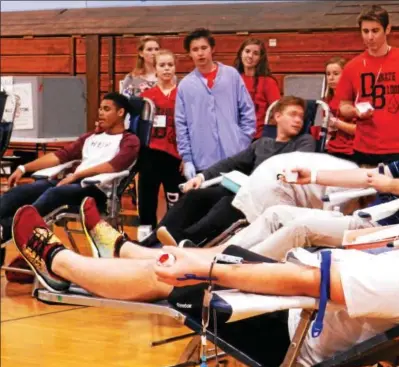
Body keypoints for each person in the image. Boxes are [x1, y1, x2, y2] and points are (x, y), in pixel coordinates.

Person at [11, 164, 399, 367]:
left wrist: (210, 265)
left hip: (296, 333)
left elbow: (308, 284)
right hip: (305, 306)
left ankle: (63, 269)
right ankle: (121, 248)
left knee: (182, 278)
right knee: (214, 260)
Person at [221, 95, 399, 261]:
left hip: (385, 232)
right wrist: (314, 176)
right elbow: (366, 175)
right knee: (276, 213)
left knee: (301, 228)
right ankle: (221, 258)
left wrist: (391, 185)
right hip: (363, 221)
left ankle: (236, 271)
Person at [135, 96, 315, 249]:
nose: (298, 120)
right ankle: (153, 241)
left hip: (269, 197)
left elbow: (295, 167)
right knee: (196, 196)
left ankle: (185, 241)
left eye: (301, 116)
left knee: (228, 203)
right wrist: (201, 176)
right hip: (244, 190)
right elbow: (231, 163)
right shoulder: (262, 143)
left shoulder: (305, 141)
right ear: (277, 116)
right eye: (293, 115)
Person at [0, 92, 140, 243]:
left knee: (54, 194)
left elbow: (113, 166)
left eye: (106, 109)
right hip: (71, 182)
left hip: (97, 189)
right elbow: (60, 156)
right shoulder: (91, 137)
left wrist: (76, 176)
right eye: (100, 109)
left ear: (120, 113)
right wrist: (23, 168)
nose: (100, 113)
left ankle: (8, 230)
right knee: (20, 191)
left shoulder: (130, 140)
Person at [335, 5, 399, 166]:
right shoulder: (352, 66)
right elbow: (343, 105)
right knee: (366, 191)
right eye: (365, 31)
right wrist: (354, 111)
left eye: (375, 30)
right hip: (365, 148)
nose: (370, 37)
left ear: (387, 30)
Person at [176, 28, 256, 181]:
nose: (200, 53)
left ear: (212, 49)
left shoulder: (231, 75)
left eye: (204, 48)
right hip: (203, 160)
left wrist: (243, 140)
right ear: (189, 54)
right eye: (195, 49)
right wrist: (187, 159)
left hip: (234, 156)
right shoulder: (185, 85)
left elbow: (247, 111)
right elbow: (181, 125)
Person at [138, 49, 185, 229]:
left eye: (170, 65)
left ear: (175, 68)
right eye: (162, 65)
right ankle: (145, 235)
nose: (166, 69)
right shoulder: (146, 97)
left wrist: (186, 157)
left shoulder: (183, 94)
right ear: (155, 69)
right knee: (147, 198)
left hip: (175, 154)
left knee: (175, 199)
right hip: (151, 153)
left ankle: (174, 234)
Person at [233, 38, 281, 139]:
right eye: (247, 51)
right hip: (235, 135)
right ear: (241, 54)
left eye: (255, 53)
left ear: (260, 58)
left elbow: (278, 110)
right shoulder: (232, 79)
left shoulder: (268, 82)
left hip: (259, 138)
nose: (250, 56)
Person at [323, 57, 356, 161]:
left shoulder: (353, 99)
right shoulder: (327, 99)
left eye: (336, 74)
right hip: (332, 146)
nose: (331, 78)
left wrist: (337, 123)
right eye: (328, 74)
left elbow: (358, 130)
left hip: (351, 148)